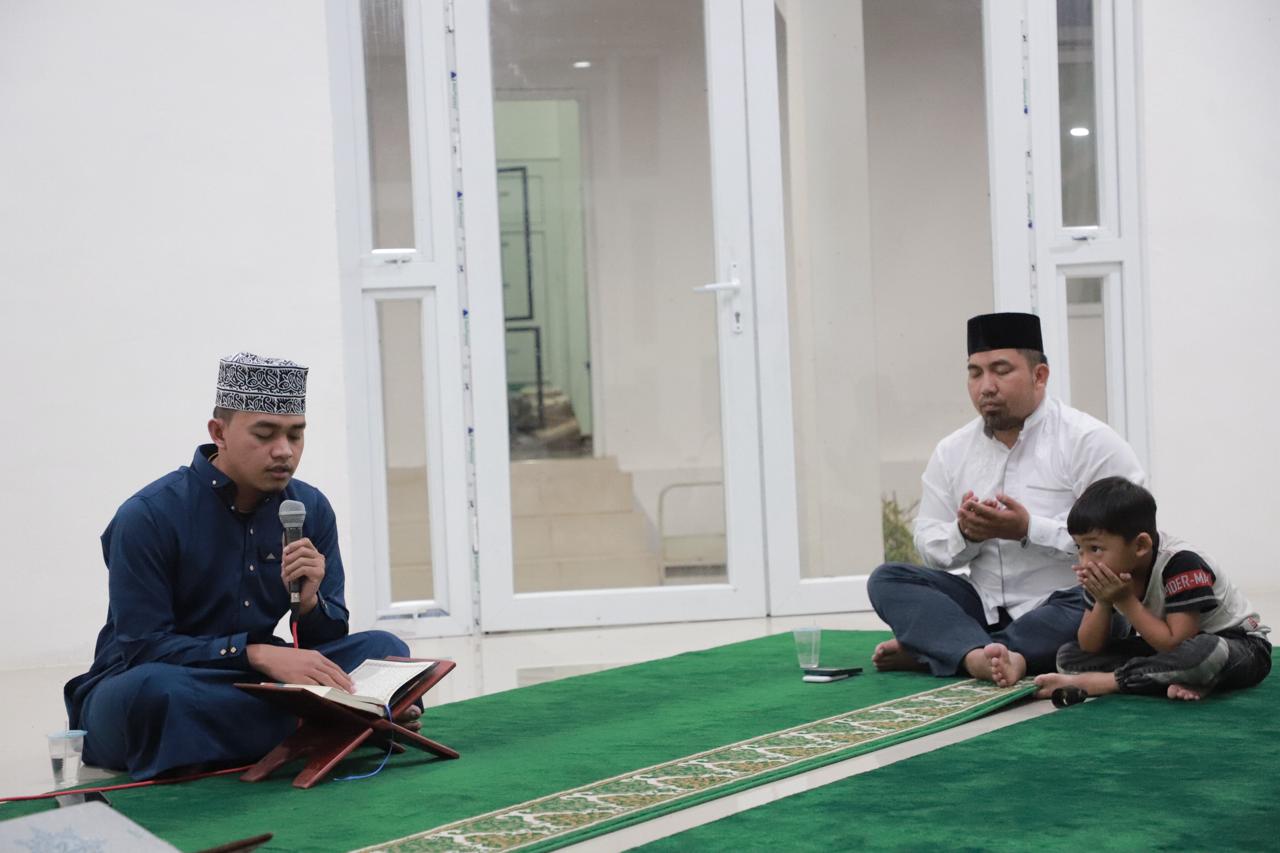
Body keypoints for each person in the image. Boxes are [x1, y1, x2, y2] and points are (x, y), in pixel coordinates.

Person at [64, 352, 412, 780]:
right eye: (264, 434)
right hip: (158, 682)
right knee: (158, 694)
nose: (284, 451)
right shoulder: (149, 516)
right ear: (219, 433)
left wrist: (308, 604)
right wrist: (254, 654)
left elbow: (325, 643)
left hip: (259, 684)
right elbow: (144, 647)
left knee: (384, 649)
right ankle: (351, 721)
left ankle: (309, 724)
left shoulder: (309, 508)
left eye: (296, 435)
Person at [868, 312, 1145, 685]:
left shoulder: (1089, 442)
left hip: (1067, 603)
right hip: (982, 605)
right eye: (975, 373)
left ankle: (947, 648)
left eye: (1001, 371)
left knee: (1101, 610)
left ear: (1039, 376)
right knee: (887, 579)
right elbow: (929, 547)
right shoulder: (952, 452)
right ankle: (979, 654)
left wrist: (1028, 529)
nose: (986, 387)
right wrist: (965, 535)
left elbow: (1128, 544)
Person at [1032, 477, 1271, 702]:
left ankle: (1107, 683)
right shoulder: (1105, 573)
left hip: (1239, 645)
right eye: (1079, 549)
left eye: (1095, 548)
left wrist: (1125, 601)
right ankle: (1185, 678)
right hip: (1166, 649)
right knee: (1069, 657)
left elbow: (1176, 644)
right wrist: (1103, 601)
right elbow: (1089, 646)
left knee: (1205, 654)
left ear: (1140, 545)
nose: (1085, 562)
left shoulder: (1181, 563)